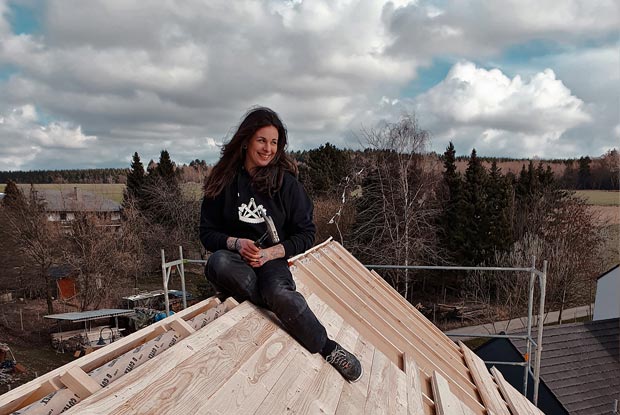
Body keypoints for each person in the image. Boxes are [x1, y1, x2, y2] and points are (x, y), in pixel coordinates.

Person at [199, 106, 362, 382]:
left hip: (272, 262)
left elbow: (306, 234)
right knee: (218, 262)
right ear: (246, 140)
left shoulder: (286, 185)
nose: (268, 149)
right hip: (236, 262)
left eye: (274, 142)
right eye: (262, 140)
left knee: (280, 294)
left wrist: (269, 253)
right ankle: (276, 304)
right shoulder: (224, 181)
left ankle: (328, 347)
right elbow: (207, 233)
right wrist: (237, 243)